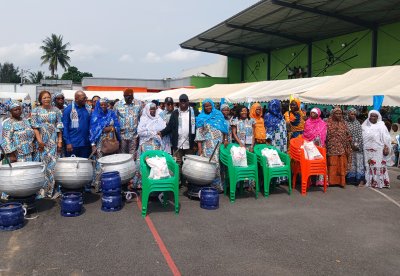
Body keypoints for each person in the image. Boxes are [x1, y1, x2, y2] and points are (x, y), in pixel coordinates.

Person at [32, 90, 63, 198]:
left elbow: (59, 126)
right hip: (41, 140)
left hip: (53, 140)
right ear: (40, 99)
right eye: (44, 98)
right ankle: (41, 191)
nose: (46, 99)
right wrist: (40, 141)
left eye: (48, 97)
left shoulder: (56, 110)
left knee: (53, 166)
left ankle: (51, 190)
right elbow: (35, 127)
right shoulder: (36, 111)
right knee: (42, 165)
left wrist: (60, 141)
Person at [159, 94, 198, 174]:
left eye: (185, 101)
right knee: (177, 164)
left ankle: (186, 184)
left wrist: (196, 143)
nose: (183, 102)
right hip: (177, 143)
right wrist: (161, 133)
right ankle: (178, 183)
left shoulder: (194, 112)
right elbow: (170, 127)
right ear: (179, 103)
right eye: (181, 101)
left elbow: (198, 127)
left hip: (189, 144)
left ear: (188, 102)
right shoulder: (175, 113)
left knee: (188, 165)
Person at [195, 99, 228, 192]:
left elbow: (224, 128)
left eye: (209, 105)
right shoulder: (201, 117)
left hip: (219, 145)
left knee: (221, 165)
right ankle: (211, 186)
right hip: (207, 146)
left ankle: (220, 186)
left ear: (212, 105)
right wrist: (200, 149)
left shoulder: (218, 114)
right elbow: (199, 134)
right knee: (210, 166)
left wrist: (225, 139)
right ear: (203, 107)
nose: (208, 107)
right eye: (206, 106)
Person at [89, 98, 121, 192]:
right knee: (100, 163)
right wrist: (93, 144)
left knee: (110, 163)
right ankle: (98, 185)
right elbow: (92, 131)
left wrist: (111, 128)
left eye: (105, 104)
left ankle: (109, 184)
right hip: (99, 143)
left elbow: (117, 125)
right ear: (98, 105)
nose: (103, 106)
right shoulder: (95, 114)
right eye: (101, 104)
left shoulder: (111, 113)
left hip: (111, 142)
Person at [362, 110, 392, 188]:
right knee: (368, 165)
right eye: (371, 116)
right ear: (369, 116)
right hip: (367, 149)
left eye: (375, 116)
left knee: (377, 165)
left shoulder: (382, 126)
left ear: (378, 117)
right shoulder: (364, 125)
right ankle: (368, 181)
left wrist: (386, 146)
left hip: (378, 149)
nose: (373, 117)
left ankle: (379, 182)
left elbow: (387, 138)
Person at [326, 107, 352, 188]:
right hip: (331, 147)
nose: (338, 115)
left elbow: (348, 133)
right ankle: (331, 181)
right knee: (332, 164)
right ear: (333, 114)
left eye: (340, 114)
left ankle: (341, 181)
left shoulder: (344, 123)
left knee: (341, 164)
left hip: (342, 147)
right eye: (336, 113)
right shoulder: (328, 123)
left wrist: (349, 138)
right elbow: (326, 134)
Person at [63, 91, 91, 158]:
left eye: (86, 97)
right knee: (72, 166)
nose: (85, 99)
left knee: (84, 166)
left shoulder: (88, 109)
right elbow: (65, 127)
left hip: (85, 143)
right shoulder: (69, 109)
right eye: (83, 98)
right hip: (73, 144)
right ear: (76, 98)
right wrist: (68, 142)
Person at [303, 107, 327, 186]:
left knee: (318, 162)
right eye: (311, 113)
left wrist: (318, 139)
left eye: (314, 113)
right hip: (309, 145)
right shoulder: (307, 122)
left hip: (319, 146)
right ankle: (309, 180)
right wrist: (313, 138)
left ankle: (319, 181)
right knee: (310, 162)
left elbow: (323, 133)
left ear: (318, 114)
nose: (312, 114)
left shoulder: (322, 123)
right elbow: (306, 134)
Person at [115, 89, 142, 159]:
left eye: (131, 96)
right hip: (122, 135)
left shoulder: (138, 104)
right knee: (123, 155)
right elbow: (115, 119)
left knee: (132, 156)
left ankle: (132, 169)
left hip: (134, 135)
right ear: (124, 96)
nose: (130, 98)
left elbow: (141, 118)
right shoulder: (118, 104)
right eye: (127, 97)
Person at [345, 108, 365, 186]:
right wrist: (349, 144)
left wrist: (357, 145)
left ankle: (359, 180)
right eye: (351, 114)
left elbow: (360, 136)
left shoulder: (357, 124)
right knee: (350, 163)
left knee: (358, 163)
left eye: (354, 114)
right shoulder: (345, 123)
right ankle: (350, 179)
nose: (353, 116)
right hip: (347, 147)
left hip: (357, 148)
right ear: (348, 114)